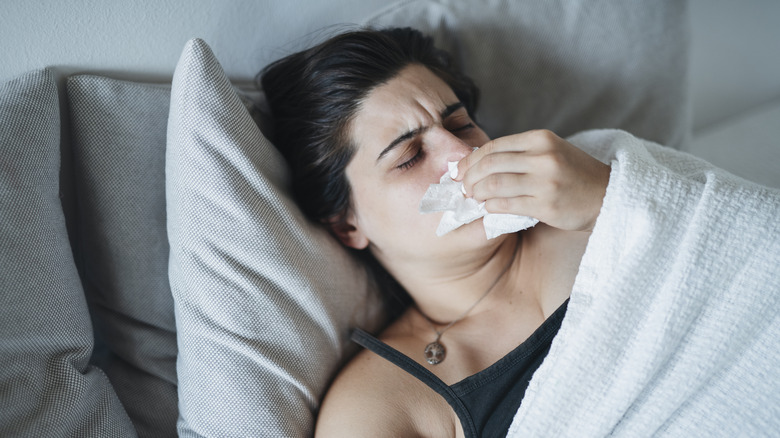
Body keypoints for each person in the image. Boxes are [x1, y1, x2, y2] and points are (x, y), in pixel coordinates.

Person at [259, 27, 611, 437]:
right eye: (410, 156)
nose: (464, 155)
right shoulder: (382, 403)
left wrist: (609, 195)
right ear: (347, 225)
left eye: (460, 125)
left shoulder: (588, 172)